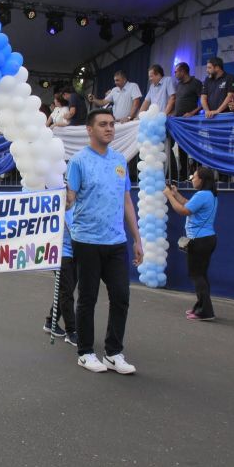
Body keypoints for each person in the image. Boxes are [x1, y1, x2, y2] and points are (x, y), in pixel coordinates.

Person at [66, 108, 143, 374]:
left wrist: (137, 238)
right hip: (86, 240)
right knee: (88, 298)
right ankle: (86, 352)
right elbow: (70, 198)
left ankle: (113, 352)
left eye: (111, 124)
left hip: (116, 241)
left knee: (121, 296)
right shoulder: (78, 162)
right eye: (102, 124)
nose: (109, 128)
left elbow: (126, 201)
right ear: (90, 129)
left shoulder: (120, 160)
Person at [163, 167, 218, 321]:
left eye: (194, 177)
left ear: (202, 179)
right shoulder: (210, 195)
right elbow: (188, 204)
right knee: (201, 275)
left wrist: (169, 196)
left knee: (196, 275)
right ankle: (202, 307)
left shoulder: (202, 194)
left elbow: (183, 210)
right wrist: (175, 194)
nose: (192, 179)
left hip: (199, 241)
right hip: (208, 239)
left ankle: (205, 311)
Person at [42, 204, 78, 346]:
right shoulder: (54, 203)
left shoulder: (78, 203)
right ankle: (71, 331)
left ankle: (51, 321)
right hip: (60, 252)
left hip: (77, 250)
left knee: (65, 290)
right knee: (66, 291)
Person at [171, 62, 203, 181]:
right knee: (182, 149)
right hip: (179, 123)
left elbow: (203, 103)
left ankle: (198, 175)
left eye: (176, 71)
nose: (175, 74)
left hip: (192, 122)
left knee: (194, 148)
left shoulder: (196, 83)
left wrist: (192, 113)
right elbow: (177, 103)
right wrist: (173, 114)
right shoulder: (178, 85)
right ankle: (183, 176)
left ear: (183, 71)